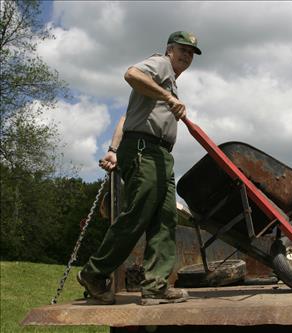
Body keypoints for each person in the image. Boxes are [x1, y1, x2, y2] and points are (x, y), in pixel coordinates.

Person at [77, 31, 202, 305]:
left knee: (165, 219)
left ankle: (156, 285)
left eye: (191, 53)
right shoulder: (161, 65)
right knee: (139, 214)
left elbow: (126, 116)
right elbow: (131, 74)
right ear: (169, 49)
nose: (187, 56)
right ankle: (94, 273)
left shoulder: (170, 82)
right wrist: (168, 98)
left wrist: (113, 149)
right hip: (144, 150)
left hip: (161, 155)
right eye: (182, 50)